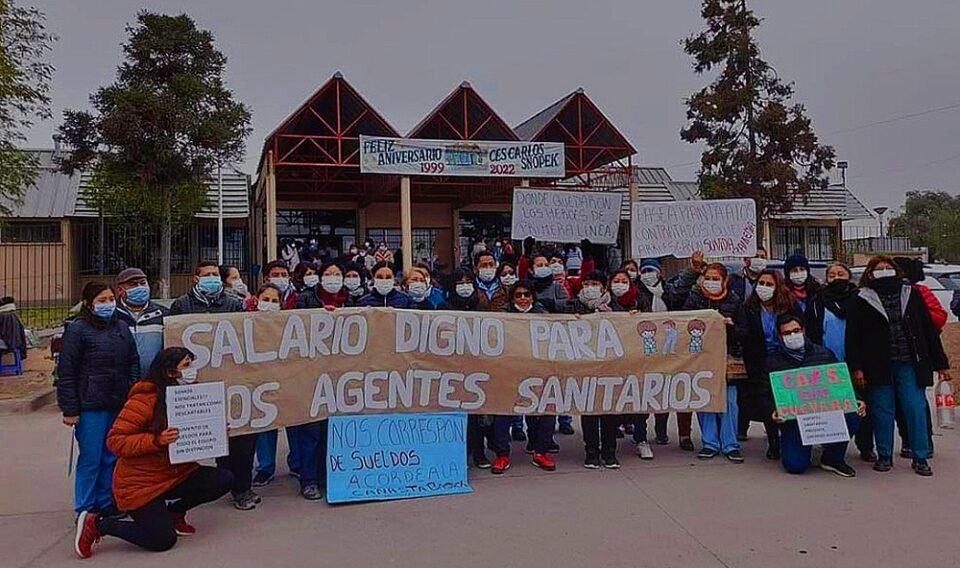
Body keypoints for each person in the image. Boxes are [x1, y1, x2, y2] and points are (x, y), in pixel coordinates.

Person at [74, 347, 234, 558]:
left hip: (175, 474)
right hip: (140, 484)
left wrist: (216, 432)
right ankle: (99, 524)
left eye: (192, 364)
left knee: (223, 479)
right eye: (186, 365)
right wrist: (156, 440)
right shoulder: (143, 400)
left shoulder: (193, 395)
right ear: (170, 372)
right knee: (162, 540)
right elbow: (116, 441)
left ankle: (175, 512)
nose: (193, 370)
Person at [846, 255, 951, 476]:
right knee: (882, 411)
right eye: (879, 268)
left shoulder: (911, 294)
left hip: (910, 363)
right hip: (877, 365)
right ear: (870, 273)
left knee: (915, 408)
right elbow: (853, 337)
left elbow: (928, 331)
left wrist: (941, 363)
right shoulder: (861, 298)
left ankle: (920, 456)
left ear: (896, 270)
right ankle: (884, 455)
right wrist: (856, 367)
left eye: (888, 267)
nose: (884, 271)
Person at [170, 263, 258, 507]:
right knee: (211, 437)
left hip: (234, 382)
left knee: (242, 437)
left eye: (215, 275)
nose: (212, 278)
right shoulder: (181, 306)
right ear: (195, 278)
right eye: (206, 275)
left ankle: (243, 489)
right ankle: (218, 482)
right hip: (198, 385)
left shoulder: (233, 304)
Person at [57, 282, 140, 517]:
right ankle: (85, 508)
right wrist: (70, 409)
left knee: (111, 456)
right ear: (88, 303)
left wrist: (132, 389)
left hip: (118, 402)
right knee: (91, 458)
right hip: (90, 405)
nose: (108, 304)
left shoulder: (121, 327)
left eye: (111, 299)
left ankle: (106, 502)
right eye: (102, 300)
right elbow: (67, 371)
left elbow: (133, 360)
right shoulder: (77, 330)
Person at [766, 314, 863, 478]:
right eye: (787, 333)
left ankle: (832, 457)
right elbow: (763, 394)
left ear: (803, 330)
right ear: (780, 337)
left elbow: (842, 382)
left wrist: (856, 398)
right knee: (795, 466)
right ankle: (793, 445)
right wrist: (772, 411)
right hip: (794, 422)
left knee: (854, 414)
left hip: (825, 415)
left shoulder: (824, 354)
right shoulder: (772, 362)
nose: (792, 335)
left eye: (796, 330)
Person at [805, 263, 873, 460]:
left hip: (856, 363)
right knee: (831, 407)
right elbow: (812, 333)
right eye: (832, 275)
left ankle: (866, 446)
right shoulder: (817, 302)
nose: (836, 278)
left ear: (849, 276)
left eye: (841, 274)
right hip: (827, 364)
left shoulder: (861, 300)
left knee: (862, 406)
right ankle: (830, 447)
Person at [683, 262, 746, 462]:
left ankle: (730, 444)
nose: (711, 282)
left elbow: (745, 331)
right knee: (705, 400)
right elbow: (684, 325)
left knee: (729, 401)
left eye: (715, 279)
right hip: (701, 359)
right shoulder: (694, 299)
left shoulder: (735, 301)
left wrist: (730, 327)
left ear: (724, 280)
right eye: (707, 278)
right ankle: (710, 443)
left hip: (728, 359)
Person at [640, 255, 702, 451]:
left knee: (681, 390)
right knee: (654, 391)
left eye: (651, 271)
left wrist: (693, 269)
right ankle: (656, 431)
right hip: (648, 350)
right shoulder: (637, 293)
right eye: (644, 271)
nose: (647, 275)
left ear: (659, 273)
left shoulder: (669, 291)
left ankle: (684, 435)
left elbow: (683, 285)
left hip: (674, 349)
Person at [739, 270, 799, 459]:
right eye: (761, 283)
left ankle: (790, 438)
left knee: (788, 400)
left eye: (769, 284)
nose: (763, 287)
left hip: (786, 358)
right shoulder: (749, 308)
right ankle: (773, 441)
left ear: (777, 287)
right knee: (767, 402)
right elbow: (745, 334)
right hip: (760, 361)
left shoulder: (790, 306)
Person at [250, 284, 304, 493]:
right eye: (266, 299)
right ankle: (265, 468)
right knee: (264, 425)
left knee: (294, 420)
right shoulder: (244, 323)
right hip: (260, 380)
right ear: (257, 299)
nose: (270, 304)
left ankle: (297, 463)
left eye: (274, 301)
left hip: (287, 379)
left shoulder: (289, 323)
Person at [567, 271, 622, 469]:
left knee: (609, 410)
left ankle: (609, 452)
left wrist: (630, 317)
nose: (590, 287)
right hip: (585, 367)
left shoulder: (615, 306)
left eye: (595, 283)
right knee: (589, 410)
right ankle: (591, 451)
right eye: (587, 283)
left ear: (604, 287)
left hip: (610, 367)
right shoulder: (573, 305)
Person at [115, 268, 168, 378]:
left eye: (143, 283)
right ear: (120, 290)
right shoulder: (112, 316)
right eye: (133, 284)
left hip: (154, 380)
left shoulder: (163, 314)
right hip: (120, 381)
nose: (140, 287)